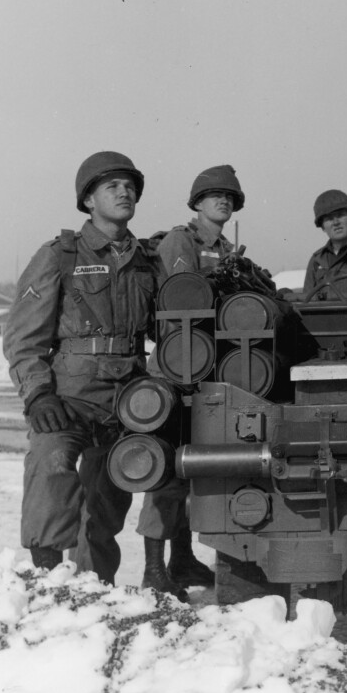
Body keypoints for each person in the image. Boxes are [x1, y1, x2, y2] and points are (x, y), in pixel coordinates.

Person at [4, 151, 156, 584]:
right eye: (112, 186)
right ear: (88, 200)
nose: (124, 192)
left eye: (130, 186)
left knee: (106, 506)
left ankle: (94, 595)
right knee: (51, 465)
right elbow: (22, 336)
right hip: (68, 398)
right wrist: (37, 393)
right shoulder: (59, 255)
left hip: (127, 400)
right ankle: (48, 577)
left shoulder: (146, 261)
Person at [137, 164, 244, 599]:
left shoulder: (227, 249)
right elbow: (185, 297)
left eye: (230, 197)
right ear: (196, 203)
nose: (223, 201)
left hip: (208, 371)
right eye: (214, 195)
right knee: (166, 472)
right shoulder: (182, 241)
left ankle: (180, 561)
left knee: (192, 472)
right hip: (179, 369)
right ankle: (152, 570)